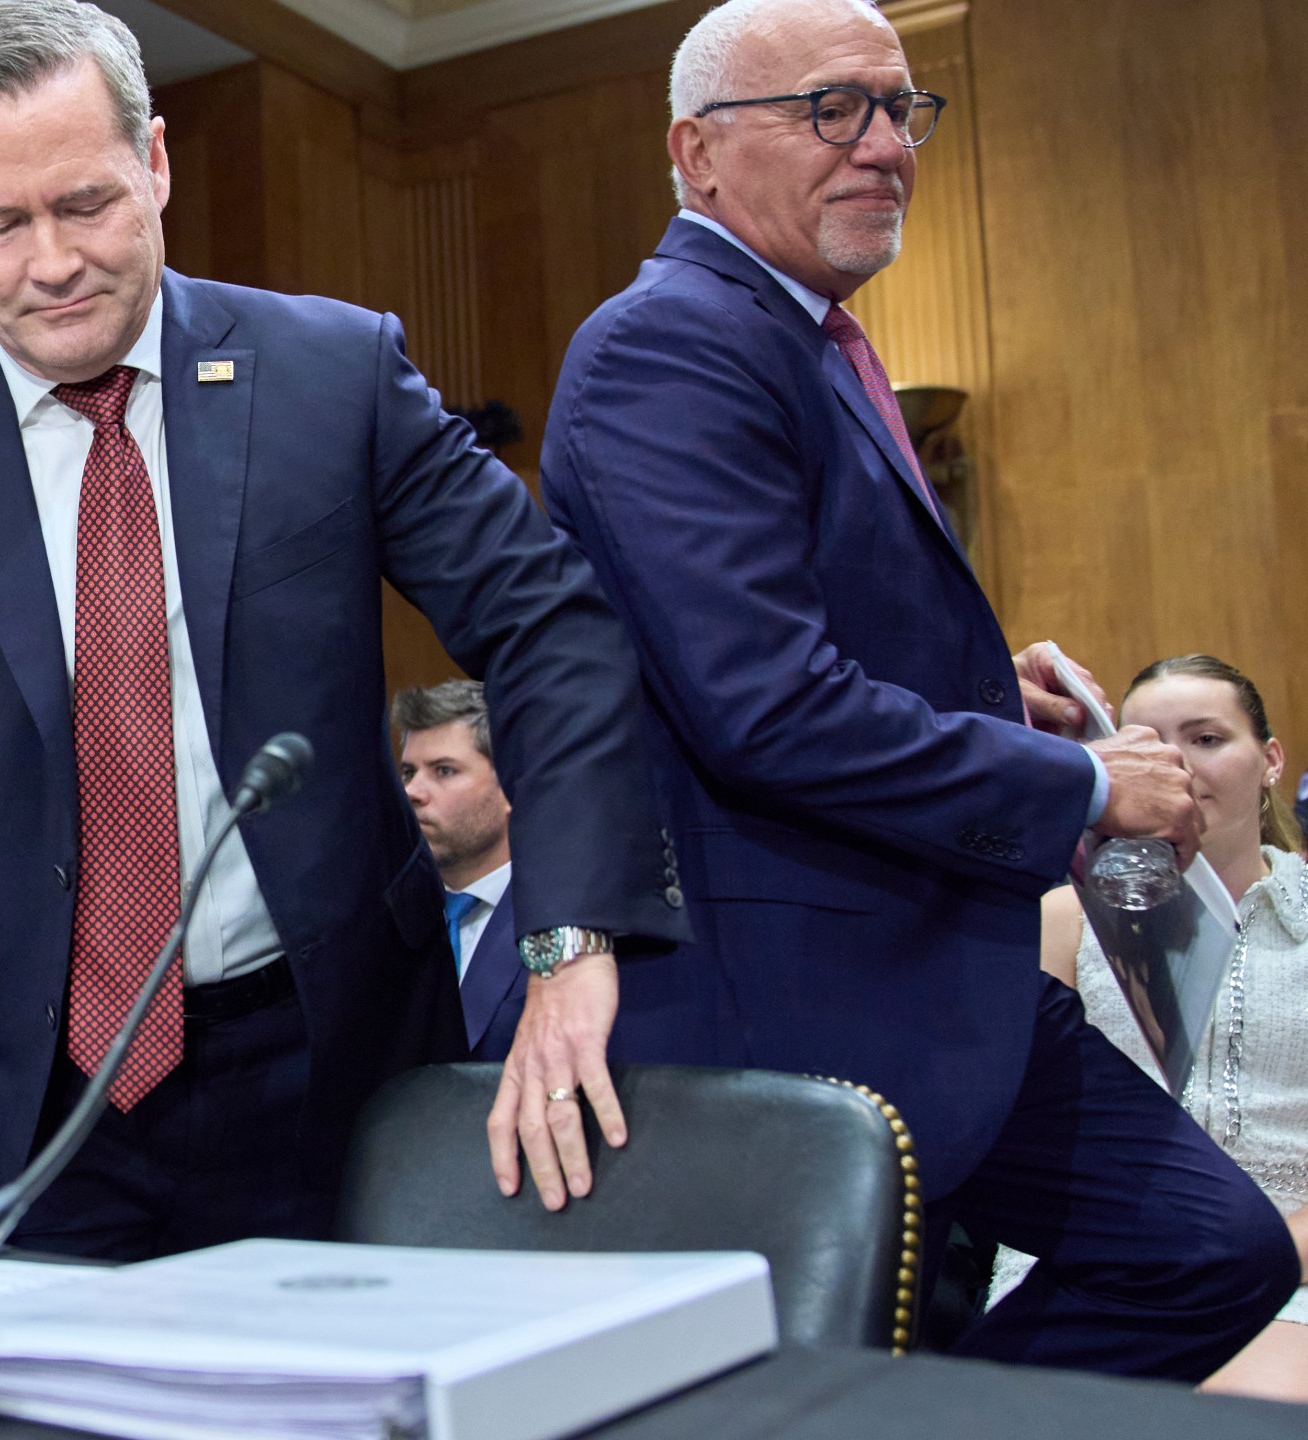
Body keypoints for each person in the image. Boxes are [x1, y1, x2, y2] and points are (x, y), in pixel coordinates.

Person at [0, 0, 683, 1259]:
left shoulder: (331, 377)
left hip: (332, 1065)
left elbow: (550, 625)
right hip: (24, 1109)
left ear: (154, 161)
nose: (49, 262)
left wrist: (571, 937)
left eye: (85, 203)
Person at [532, 0, 1293, 1376]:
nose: (886, 145)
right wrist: (1080, 779)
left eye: (902, 108)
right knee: (758, 1386)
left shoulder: (803, 334)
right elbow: (765, 707)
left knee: (1210, 1250)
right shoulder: (674, 344)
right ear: (695, 154)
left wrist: (997, 705)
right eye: (833, 109)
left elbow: (793, 646)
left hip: (925, 975)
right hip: (779, 999)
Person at [1009, 656, 1308, 1399]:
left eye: (1206, 738)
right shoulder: (1060, 918)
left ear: (1270, 761)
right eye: (1147, 741)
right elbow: (1011, 1114)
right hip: (1104, 1258)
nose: (1176, 763)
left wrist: (1278, 1249)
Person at [393, 680, 524, 1061]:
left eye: (444, 771)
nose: (412, 791)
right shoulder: (393, 918)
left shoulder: (558, 915)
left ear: (511, 788)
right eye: (407, 772)